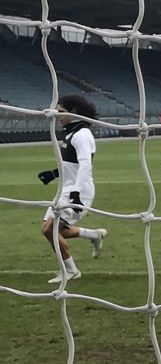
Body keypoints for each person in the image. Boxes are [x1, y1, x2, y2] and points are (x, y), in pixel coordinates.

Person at [38, 95, 108, 283]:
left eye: (61, 112)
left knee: (50, 229)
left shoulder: (82, 135)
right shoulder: (71, 132)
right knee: (52, 229)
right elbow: (72, 165)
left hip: (79, 190)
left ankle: (71, 271)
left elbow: (85, 166)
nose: (58, 116)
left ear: (74, 112)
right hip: (67, 188)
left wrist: (76, 193)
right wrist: (54, 174)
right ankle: (94, 235)